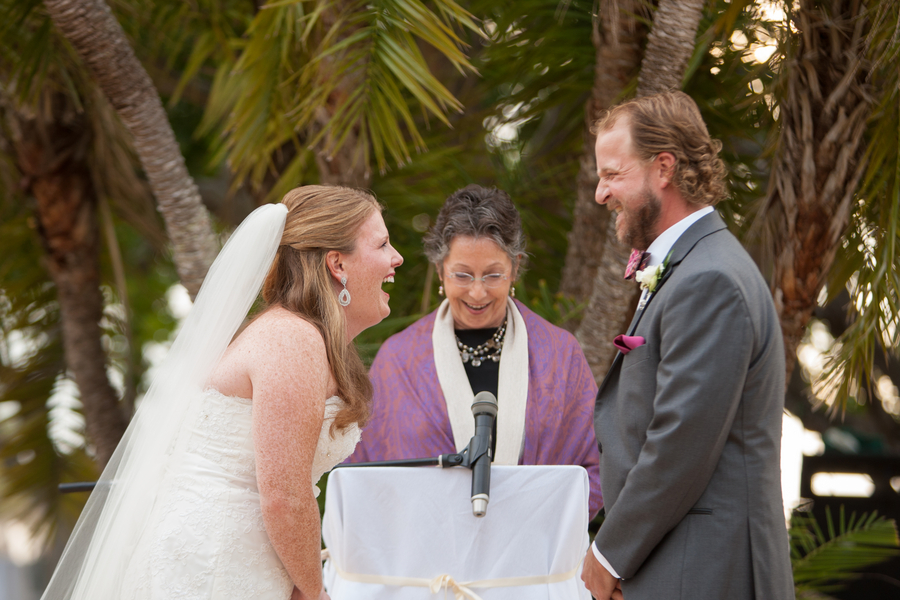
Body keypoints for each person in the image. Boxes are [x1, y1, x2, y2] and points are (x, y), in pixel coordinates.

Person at [41, 185, 403, 600]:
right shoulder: (292, 339)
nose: (397, 258)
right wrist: (315, 591)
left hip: (241, 558)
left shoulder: (299, 336)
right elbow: (285, 497)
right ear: (337, 263)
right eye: (383, 243)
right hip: (217, 566)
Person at [580, 91, 794, 600]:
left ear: (664, 169)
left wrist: (608, 554)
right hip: (683, 564)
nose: (599, 193)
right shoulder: (695, 266)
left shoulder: (710, 279)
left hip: (708, 570)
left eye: (612, 175)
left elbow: (681, 443)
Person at [346, 184, 602, 518]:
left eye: (493, 275)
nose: (477, 293)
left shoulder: (560, 354)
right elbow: (364, 475)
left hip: (533, 556)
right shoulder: (398, 360)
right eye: (463, 275)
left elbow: (593, 469)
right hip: (426, 560)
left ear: (516, 267)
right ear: (440, 271)